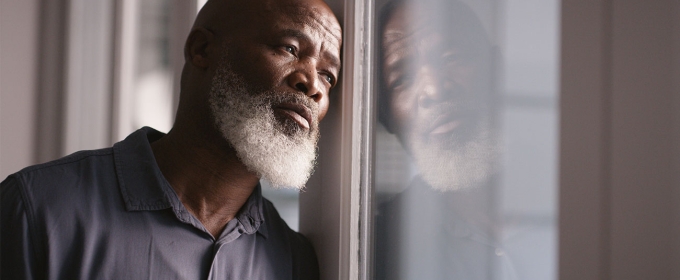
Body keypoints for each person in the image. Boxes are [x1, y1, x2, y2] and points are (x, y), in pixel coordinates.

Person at [1, 0, 341, 278]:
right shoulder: (40, 209)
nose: (312, 85)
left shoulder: (294, 262)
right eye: (290, 48)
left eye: (328, 76)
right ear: (202, 49)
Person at [373, 0, 513, 279]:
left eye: (450, 56)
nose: (434, 89)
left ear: (495, 69)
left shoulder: (578, 195)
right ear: (386, 118)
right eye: (402, 79)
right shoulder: (377, 246)